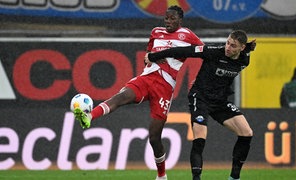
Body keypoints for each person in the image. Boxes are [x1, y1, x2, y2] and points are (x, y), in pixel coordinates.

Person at [73, 5, 204, 180]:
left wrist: (201, 78)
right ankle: (89, 117)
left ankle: (161, 175)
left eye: (172, 19)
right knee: (121, 97)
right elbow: (149, 53)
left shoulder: (188, 35)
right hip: (147, 78)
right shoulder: (156, 32)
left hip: (164, 87)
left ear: (180, 20)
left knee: (154, 136)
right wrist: (148, 56)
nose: (168, 22)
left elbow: (206, 54)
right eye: (166, 18)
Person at [145, 30, 256, 180]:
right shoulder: (212, 52)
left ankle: (234, 177)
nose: (228, 47)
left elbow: (246, 53)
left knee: (247, 133)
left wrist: (248, 48)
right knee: (200, 139)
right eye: (227, 42)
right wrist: (153, 56)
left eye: (233, 45)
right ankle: (196, 178)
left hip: (220, 102)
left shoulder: (244, 60)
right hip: (201, 98)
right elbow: (183, 50)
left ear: (241, 48)